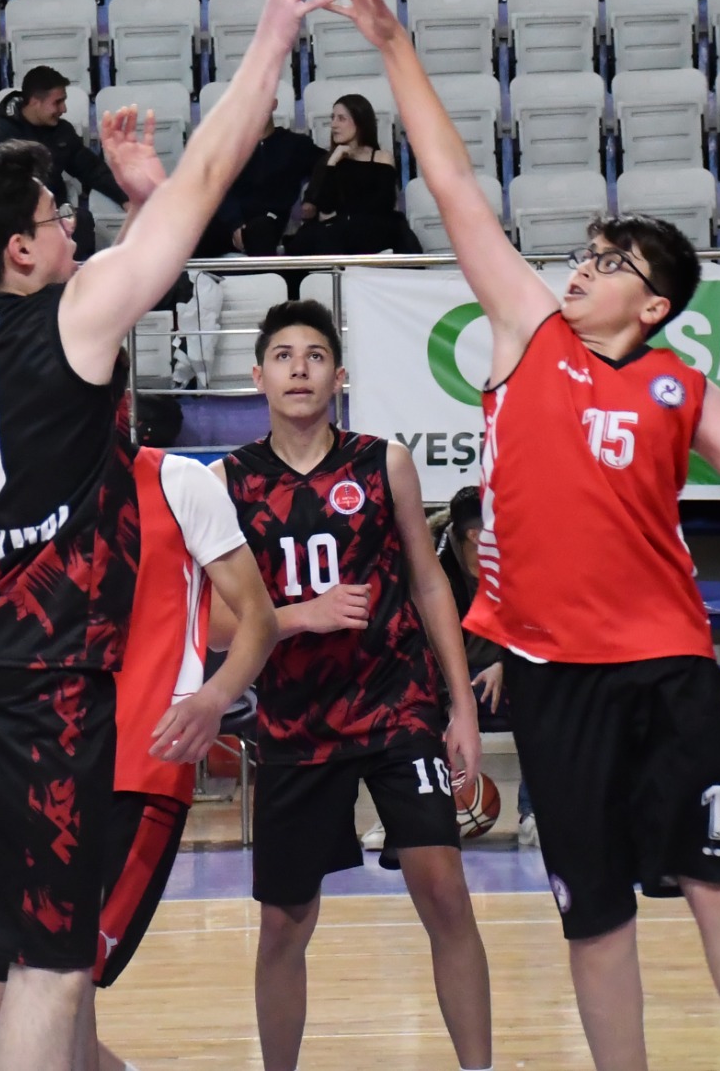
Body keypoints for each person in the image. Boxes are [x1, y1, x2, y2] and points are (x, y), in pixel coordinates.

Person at [323, 0, 720, 1071]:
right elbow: (457, 188)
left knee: (718, 885)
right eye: (586, 253)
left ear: (650, 303)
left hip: (667, 665)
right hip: (554, 673)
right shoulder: (528, 333)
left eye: (610, 264)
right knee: (591, 911)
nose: (581, 268)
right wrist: (393, 46)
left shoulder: (681, 383)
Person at [0, 0, 334, 1071]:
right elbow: (203, 188)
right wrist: (269, 43)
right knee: (53, 967)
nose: (74, 229)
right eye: (59, 217)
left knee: (4, 975)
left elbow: (112, 328)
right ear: (19, 250)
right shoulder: (69, 314)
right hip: (49, 672)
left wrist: (142, 199)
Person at [213, 298, 493, 1071]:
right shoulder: (228, 481)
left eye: (313, 355)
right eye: (282, 355)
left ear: (339, 376)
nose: (298, 367)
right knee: (283, 924)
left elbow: (431, 583)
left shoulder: (382, 461)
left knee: (443, 888)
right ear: (257, 377)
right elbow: (210, 624)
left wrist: (460, 705)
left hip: (396, 702)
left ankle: (481, 1066)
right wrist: (301, 616)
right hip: (296, 724)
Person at [0, 443, 278, 1069]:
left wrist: (213, 699)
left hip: (141, 768)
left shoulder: (178, 481)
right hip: (37, 771)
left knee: (58, 985)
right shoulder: (23, 498)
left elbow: (256, 621)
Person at [438, 485, 535, 850]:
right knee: (410, 706)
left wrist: (504, 663)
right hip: (449, 675)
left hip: (503, 671)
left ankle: (532, 815)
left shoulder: (521, 558)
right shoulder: (436, 565)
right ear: (476, 535)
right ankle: (415, 819)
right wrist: (452, 691)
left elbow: (540, 626)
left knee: (538, 695)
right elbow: (420, 643)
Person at [0, 65, 128, 257]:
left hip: (56, 220)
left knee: (83, 222)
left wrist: (125, 197)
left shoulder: (61, 131)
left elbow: (91, 169)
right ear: (34, 102)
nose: (63, 109)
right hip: (14, 224)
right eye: (57, 102)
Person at [283, 93, 407, 255]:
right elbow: (325, 209)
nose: (333, 124)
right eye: (333, 118)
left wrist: (345, 213)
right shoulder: (328, 162)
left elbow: (383, 203)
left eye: (341, 119)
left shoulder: (382, 157)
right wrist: (333, 162)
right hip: (339, 231)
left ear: (360, 122)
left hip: (373, 229)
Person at [204, 103, 321, 256]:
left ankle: (269, 278)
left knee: (261, 228)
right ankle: (191, 279)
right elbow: (218, 187)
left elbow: (325, 167)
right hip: (231, 222)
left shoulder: (296, 145)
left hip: (269, 221)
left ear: (273, 103)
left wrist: (311, 198)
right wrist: (235, 224)